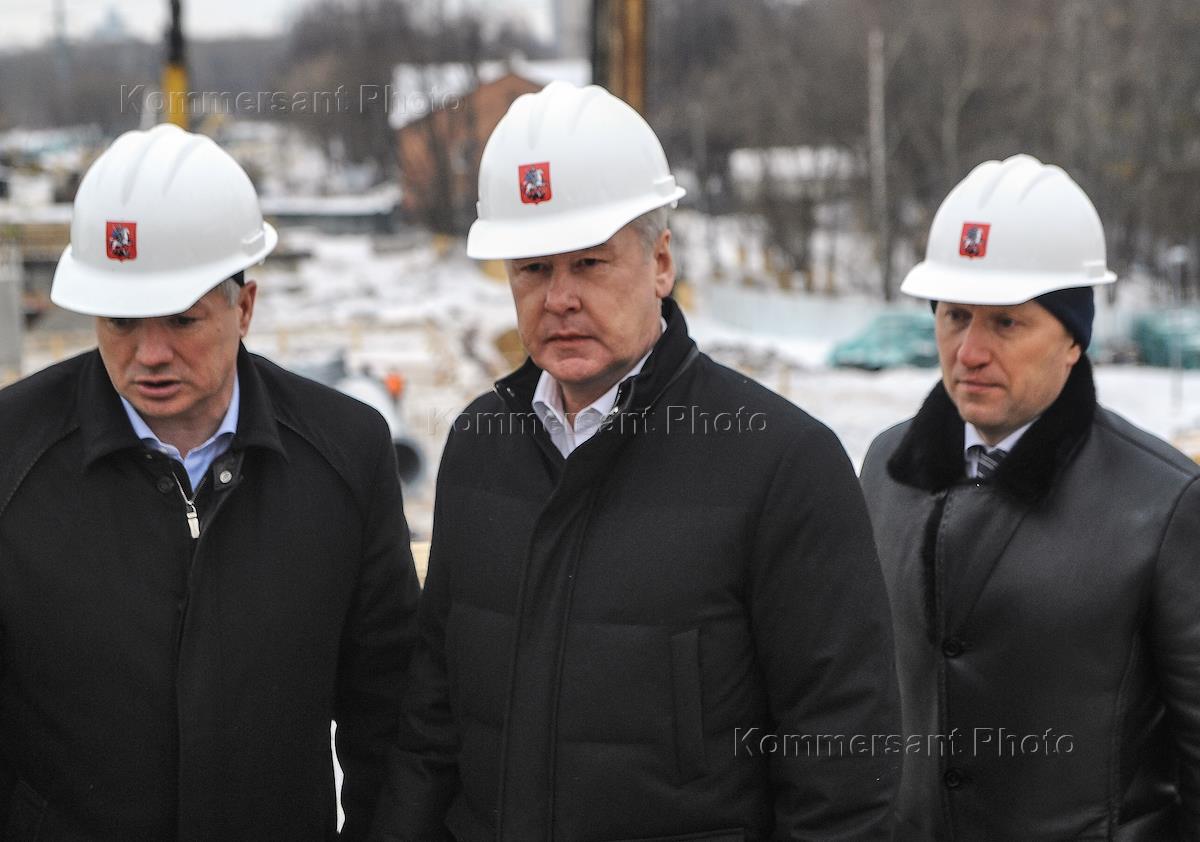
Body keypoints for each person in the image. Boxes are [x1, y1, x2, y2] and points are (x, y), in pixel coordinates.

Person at [371, 81, 900, 841]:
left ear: (660, 262)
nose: (558, 298)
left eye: (589, 263)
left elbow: (842, 768)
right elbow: (432, 722)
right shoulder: (480, 446)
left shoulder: (782, 464)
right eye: (532, 269)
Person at [0, 124, 421, 841]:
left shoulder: (345, 454)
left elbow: (390, 714)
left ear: (244, 307)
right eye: (121, 320)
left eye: (182, 319)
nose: (150, 353)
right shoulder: (13, 455)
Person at [860, 154, 1200, 840]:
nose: (969, 351)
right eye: (955, 316)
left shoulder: (1162, 504)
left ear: (1073, 339)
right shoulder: (887, 471)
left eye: (1006, 323)